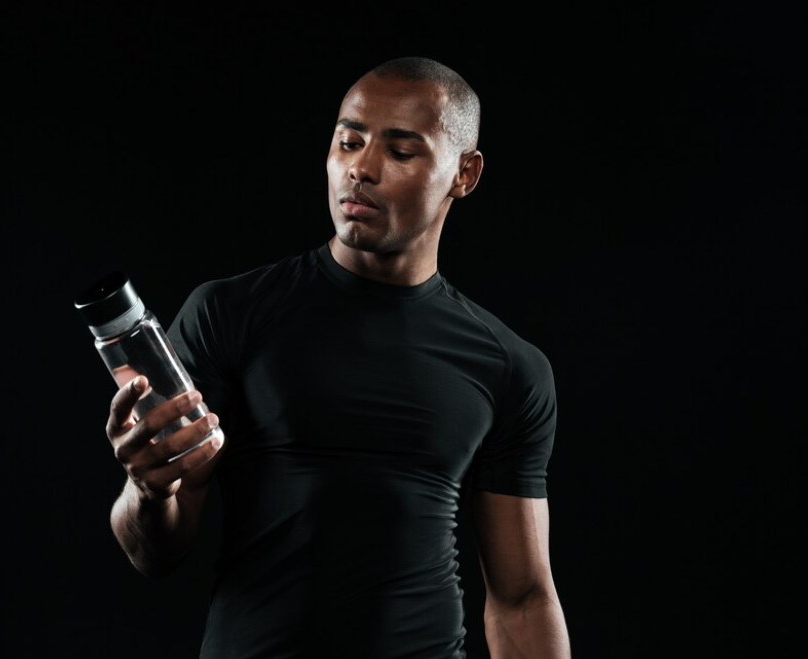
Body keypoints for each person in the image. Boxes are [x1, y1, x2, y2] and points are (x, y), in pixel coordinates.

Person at [105, 56, 571, 658]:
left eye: (402, 152)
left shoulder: (509, 366)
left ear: (465, 173)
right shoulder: (230, 312)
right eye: (348, 142)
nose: (362, 169)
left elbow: (523, 599)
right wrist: (146, 489)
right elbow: (154, 553)